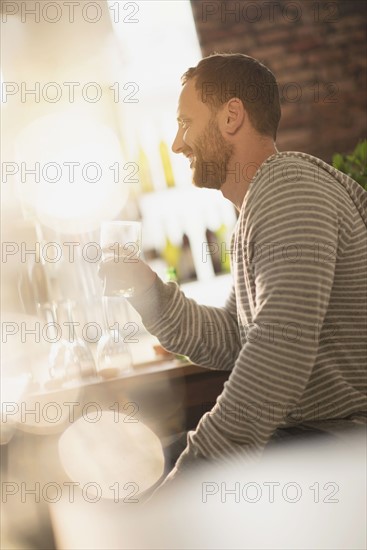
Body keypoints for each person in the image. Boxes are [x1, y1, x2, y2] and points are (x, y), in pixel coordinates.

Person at [99, 53, 367, 492]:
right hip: (306, 439)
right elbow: (231, 338)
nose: (176, 144)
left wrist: (191, 478)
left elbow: (276, 352)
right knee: (131, 464)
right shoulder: (258, 206)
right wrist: (146, 289)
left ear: (231, 115)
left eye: (186, 122)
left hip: (335, 446)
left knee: (139, 477)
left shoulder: (290, 188)